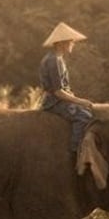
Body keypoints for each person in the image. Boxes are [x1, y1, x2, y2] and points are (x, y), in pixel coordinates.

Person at [39, 22, 94, 155]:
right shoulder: (54, 61)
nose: (73, 44)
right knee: (84, 117)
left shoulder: (57, 58)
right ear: (61, 43)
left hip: (58, 99)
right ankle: (76, 150)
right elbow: (58, 91)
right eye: (70, 42)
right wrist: (80, 101)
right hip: (55, 102)